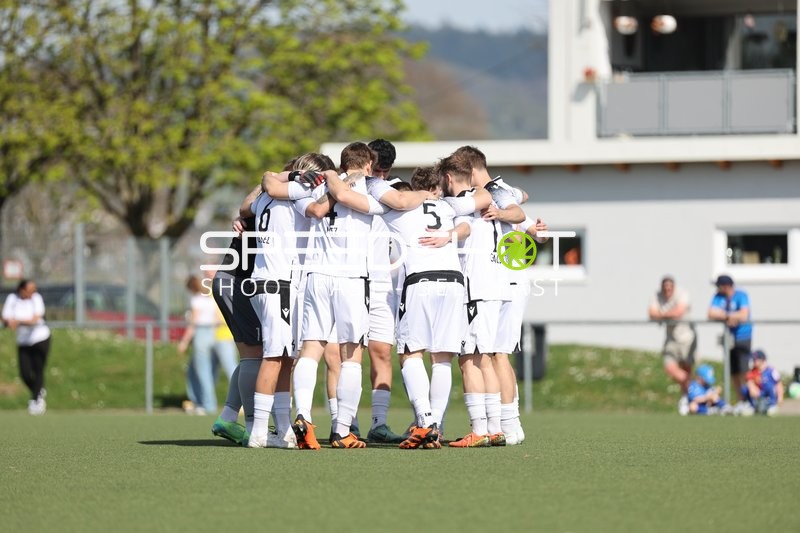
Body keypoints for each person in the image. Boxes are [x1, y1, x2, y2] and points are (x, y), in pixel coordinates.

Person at [648, 275, 696, 415]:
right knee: (670, 368)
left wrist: (661, 314)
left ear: (674, 287)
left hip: (687, 338)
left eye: (670, 288)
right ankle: (695, 388)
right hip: (670, 339)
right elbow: (651, 313)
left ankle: (685, 398)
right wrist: (666, 315)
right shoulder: (656, 296)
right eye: (665, 288)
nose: (668, 291)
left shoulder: (682, 294)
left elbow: (678, 312)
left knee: (686, 368)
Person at [2, 279, 52, 415]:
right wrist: (8, 321)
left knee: (38, 369)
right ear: (22, 290)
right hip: (23, 341)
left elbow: (36, 319)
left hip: (40, 338)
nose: (33, 292)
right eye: (30, 290)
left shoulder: (36, 298)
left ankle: (36, 401)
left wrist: (17, 321)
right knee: (24, 373)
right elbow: (6, 317)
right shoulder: (12, 299)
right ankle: (38, 390)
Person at [707, 274, 752, 412]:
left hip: (743, 337)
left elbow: (744, 315)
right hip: (729, 338)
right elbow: (710, 313)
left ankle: (751, 401)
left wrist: (728, 315)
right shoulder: (718, 297)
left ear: (726, 286)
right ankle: (740, 401)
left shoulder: (741, 295)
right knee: (733, 371)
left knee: (744, 370)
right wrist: (729, 316)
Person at [178, 275, 220, 415]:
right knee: (202, 370)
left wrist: (184, 341)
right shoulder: (208, 299)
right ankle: (201, 401)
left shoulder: (196, 300)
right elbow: (215, 318)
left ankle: (207, 405)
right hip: (212, 334)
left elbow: (193, 323)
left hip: (201, 334)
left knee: (202, 372)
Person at [742, 350, 784, 416]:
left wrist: (780, 397)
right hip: (758, 395)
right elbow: (749, 381)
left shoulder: (771, 371)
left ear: (762, 360)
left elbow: (778, 384)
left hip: (769, 395)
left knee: (767, 385)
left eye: (755, 360)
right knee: (744, 388)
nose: (754, 361)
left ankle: (772, 405)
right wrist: (752, 387)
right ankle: (753, 406)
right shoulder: (752, 371)